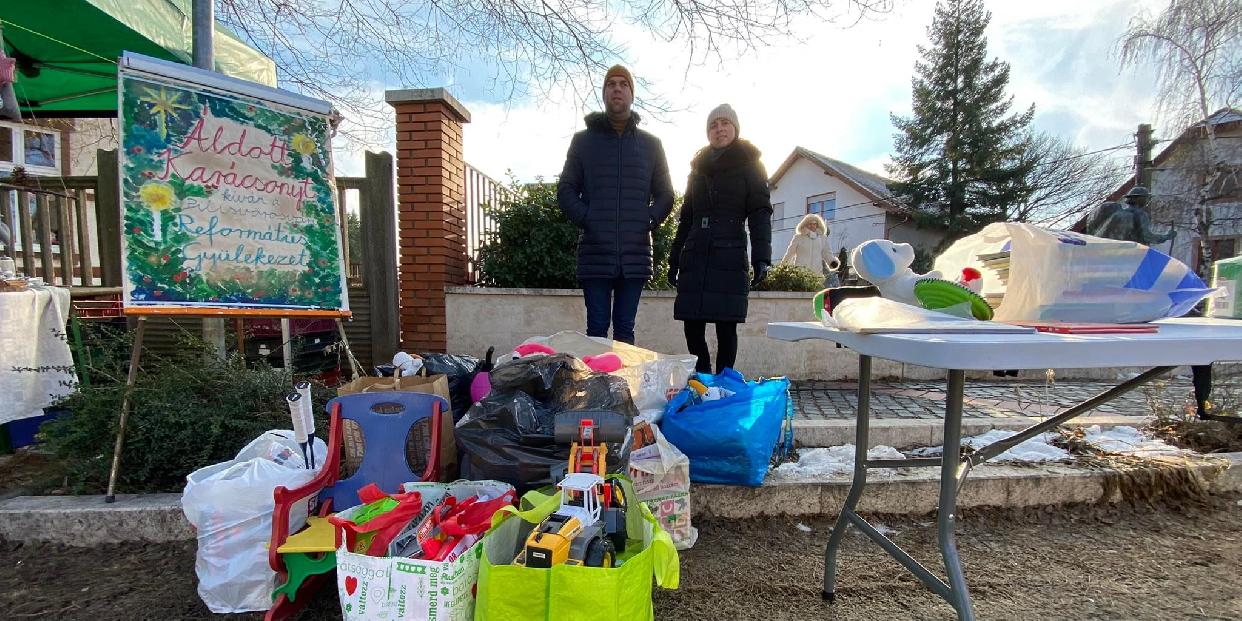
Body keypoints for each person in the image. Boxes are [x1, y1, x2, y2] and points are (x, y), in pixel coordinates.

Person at [557, 65, 675, 344]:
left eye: (624, 84)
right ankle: (596, 388)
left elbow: (666, 195)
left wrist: (647, 220)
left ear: (632, 94)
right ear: (604, 93)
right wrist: (589, 218)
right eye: (611, 84)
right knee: (596, 329)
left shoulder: (651, 145)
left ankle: (622, 387)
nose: (617, 88)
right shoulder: (583, 142)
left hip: (635, 254)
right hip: (596, 252)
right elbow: (565, 190)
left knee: (625, 330)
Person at [667, 104, 772, 373]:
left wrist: (762, 257)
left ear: (735, 128)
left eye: (725, 123)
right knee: (692, 327)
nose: (719, 129)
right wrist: (675, 258)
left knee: (726, 327)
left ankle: (724, 385)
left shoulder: (751, 164)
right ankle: (703, 383)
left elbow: (760, 212)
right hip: (696, 253)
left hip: (729, 252)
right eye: (713, 125)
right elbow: (686, 217)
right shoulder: (697, 169)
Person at [780, 213, 841, 287]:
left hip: (817, 274)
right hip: (801, 273)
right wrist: (783, 266)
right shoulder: (798, 237)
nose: (812, 226)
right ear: (805, 224)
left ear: (817, 225)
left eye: (814, 224)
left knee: (815, 295)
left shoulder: (822, 238)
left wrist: (832, 262)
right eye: (810, 224)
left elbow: (827, 253)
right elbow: (790, 252)